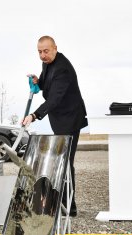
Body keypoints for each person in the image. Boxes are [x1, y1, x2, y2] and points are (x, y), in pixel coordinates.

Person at [23, 35, 88, 217]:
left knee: (66, 162)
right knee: (62, 160)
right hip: (59, 118)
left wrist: (34, 115)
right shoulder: (48, 63)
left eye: (46, 51)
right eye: (39, 52)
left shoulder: (63, 69)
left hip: (70, 118)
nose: (42, 55)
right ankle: (64, 202)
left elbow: (55, 98)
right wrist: (38, 81)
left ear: (55, 48)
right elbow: (46, 83)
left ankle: (69, 206)